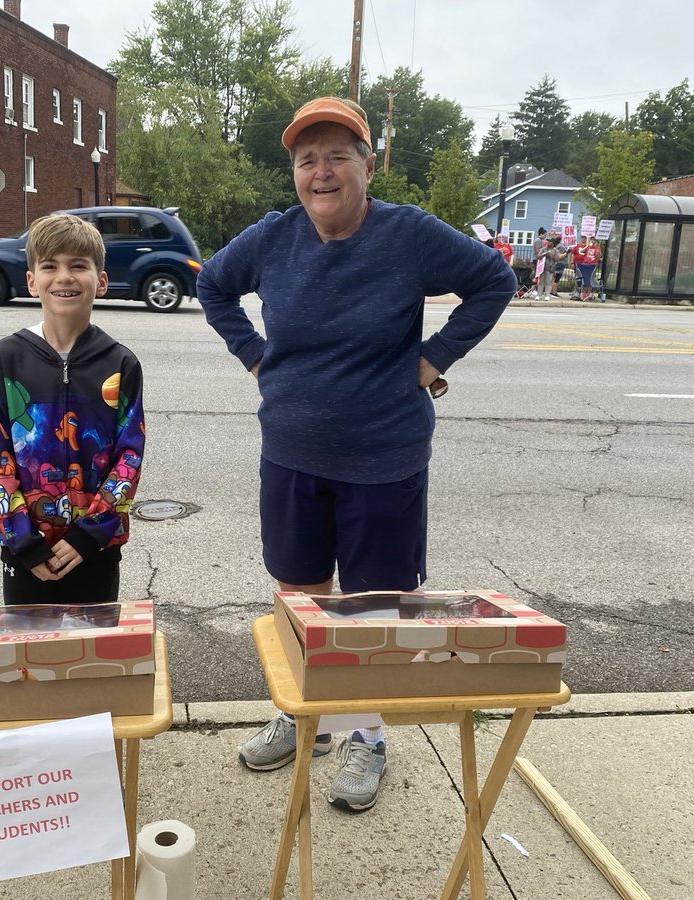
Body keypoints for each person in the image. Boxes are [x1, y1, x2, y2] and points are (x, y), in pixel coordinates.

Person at [197, 96, 516, 812]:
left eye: (338, 156)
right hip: (291, 452)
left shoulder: (409, 234)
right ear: (294, 173)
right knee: (301, 595)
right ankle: (304, 716)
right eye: (307, 159)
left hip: (384, 457)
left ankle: (365, 735)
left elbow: (495, 281)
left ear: (368, 166)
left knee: (372, 608)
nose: (322, 172)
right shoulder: (273, 238)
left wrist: (434, 358)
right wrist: (255, 356)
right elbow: (212, 285)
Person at [0, 214, 146, 605]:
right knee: (28, 643)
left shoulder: (120, 364)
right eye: (50, 266)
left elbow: (129, 456)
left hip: (94, 550)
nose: (64, 277)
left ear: (100, 281)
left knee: (94, 642)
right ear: (31, 281)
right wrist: (22, 540)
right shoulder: (3, 360)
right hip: (27, 552)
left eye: (78, 266)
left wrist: (91, 534)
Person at [572, 234, 601, 300]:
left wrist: (597, 254)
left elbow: (598, 258)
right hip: (585, 264)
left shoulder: (597, 248)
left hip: (592, 264)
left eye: (593, 240)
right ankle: (584, 293)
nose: (592, 241)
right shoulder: (587, 247)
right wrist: (587, 246)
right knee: (584, 278)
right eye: (591, 239)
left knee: (590, 278)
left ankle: (589, 293)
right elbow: (581, 251)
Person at [534, 233, 563, 299]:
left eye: (551, 242)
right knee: (541, 281)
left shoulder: (554, 250)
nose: (549, 243)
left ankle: (547, 295)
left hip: (550, 268)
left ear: (553, 244)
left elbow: (556, 259)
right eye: (549, 242)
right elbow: (538, 256)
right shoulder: (543, 249)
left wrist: (555, 254)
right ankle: (539, 294)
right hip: (542, 267)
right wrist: (545, 254)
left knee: (548, 282)